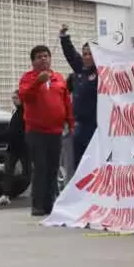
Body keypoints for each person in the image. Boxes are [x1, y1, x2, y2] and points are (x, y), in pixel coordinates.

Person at [18, 45, 74, 217]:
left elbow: (66, 103)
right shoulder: (28, 78)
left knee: (53, 168)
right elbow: (24, 96)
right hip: (36, 131)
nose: (44, 59)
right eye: (39, 57)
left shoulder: (58, 78)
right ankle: (38, 204)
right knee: (40, 168)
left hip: (55, 130)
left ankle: (50, 204)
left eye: (46, 56)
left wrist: (70, 123)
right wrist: (38, 82)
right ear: (33, 61)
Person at [60, 25, 98, 169]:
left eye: (90, 54)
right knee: (77, 163)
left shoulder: (102, 74)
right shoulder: (79, 71)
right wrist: (64, 37)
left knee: (92, 163)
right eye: (85, 54)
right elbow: (71, 55)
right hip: (77, 125)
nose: (87, 57)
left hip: (94, 126)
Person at [0, 91, 26, 206]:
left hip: (23, 145)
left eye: (16, 98)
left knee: (27, 172)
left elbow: (14, 130)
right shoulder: (16, 111)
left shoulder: (23, 112)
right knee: (8, 171)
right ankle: (6, 194)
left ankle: (9, 193)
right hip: (13, 146)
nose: (14, 100)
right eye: (13, 98)